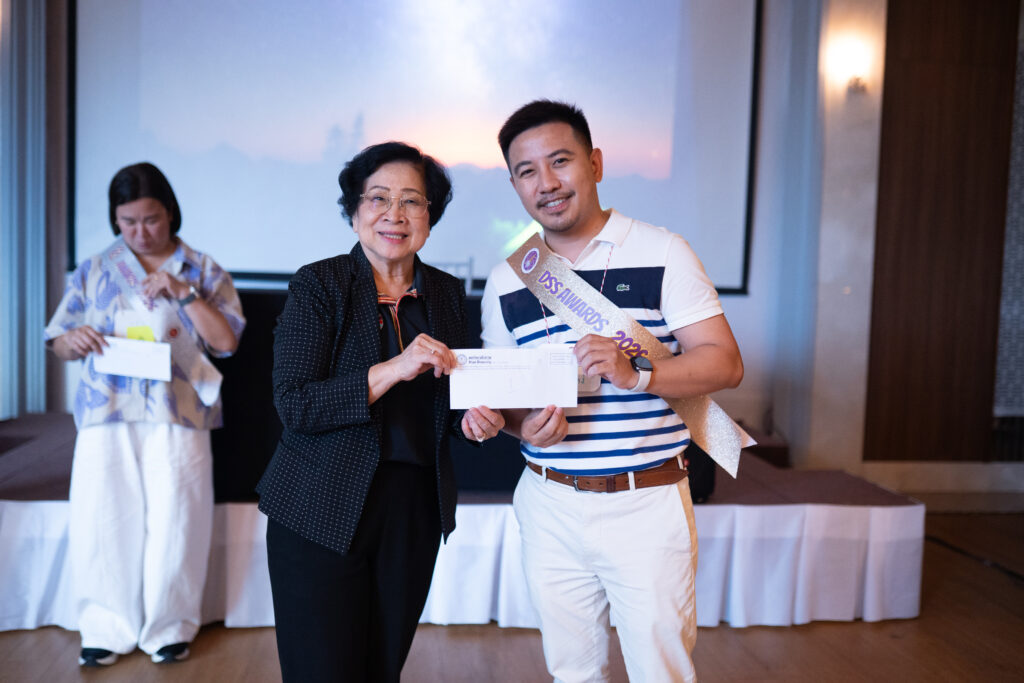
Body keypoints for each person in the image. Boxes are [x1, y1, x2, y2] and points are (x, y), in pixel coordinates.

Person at [481, 100, 744, 682]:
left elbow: (725, 363)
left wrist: (638, 374)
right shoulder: (507, 279)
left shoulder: (663, 251)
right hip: (547, 501)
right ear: (515, 185)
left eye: (560, 161)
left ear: (595, 163)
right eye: (527, 171)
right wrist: (520, 426)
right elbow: (505, 397)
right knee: (572, 672)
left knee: (660, 672)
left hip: (645, 500)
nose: (547, 183)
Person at [256, 141, 504, 683]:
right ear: (354, 212)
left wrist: (472, 423)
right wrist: (394, 367)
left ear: (430, 218)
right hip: (319, 504)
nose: (395, 214)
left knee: (382, 669)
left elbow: (448, 402)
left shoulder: (444, 293)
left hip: (412, 510)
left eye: (412, 201)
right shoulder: (319, 284)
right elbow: (296, 404)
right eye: (378, 199)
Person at [44, 162, 246, 667]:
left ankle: (169, 626)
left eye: (150, 219)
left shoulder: (200, 268)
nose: (139, 232)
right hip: (106, 409)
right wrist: (73, 340)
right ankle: (104, 626)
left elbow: (226, 342)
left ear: (170, 213)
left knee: (179, 517)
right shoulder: (95, 268)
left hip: (178, 411)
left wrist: (184, 294)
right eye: (128, 221)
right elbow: (59, 341)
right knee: (102, 516)